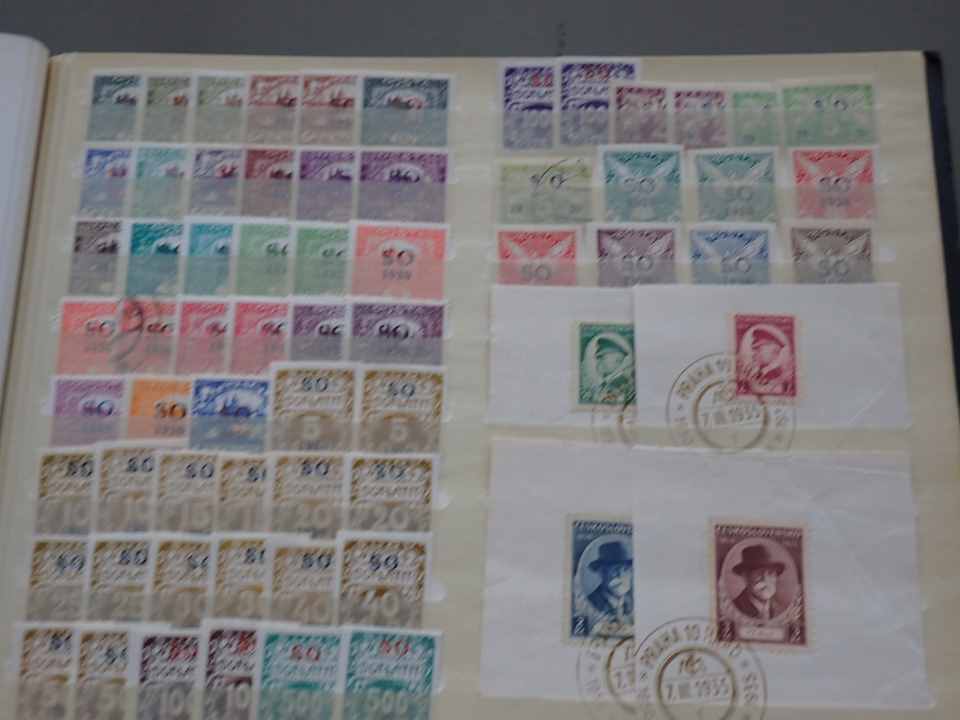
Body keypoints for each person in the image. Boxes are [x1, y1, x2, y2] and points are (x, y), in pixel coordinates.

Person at [585, 540, 633, 630]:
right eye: (615, 569)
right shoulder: (590, 603)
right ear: (602, 573)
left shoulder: (632, 602)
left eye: (626, 569)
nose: (621, 575)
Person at [731, 544, 786, 620]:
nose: (765, 579)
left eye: (770, 573)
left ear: (776, 577)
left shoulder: (781, 610)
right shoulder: (734, 608)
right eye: (759, 573)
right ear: (745, 577)